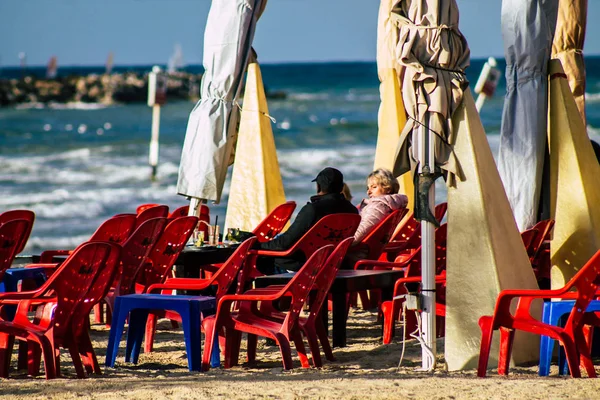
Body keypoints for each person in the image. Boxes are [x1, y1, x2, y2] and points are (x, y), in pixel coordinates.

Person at [256, 167, 359, 274]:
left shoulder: (312, 209)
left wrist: (257, 244)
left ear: (318, 187)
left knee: (259, 260)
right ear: (342, 187)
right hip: (329, 265)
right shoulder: (352, 211)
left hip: (299, 268)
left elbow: (284, 243)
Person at [342, 168, 408, 269]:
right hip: (366, 252)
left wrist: (341, 244)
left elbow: (362, 230)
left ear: (387, 188)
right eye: (368, 188)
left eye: (374, 187)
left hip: (355, 255)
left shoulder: (378, 206)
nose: (369, 191)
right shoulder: (390, 205)